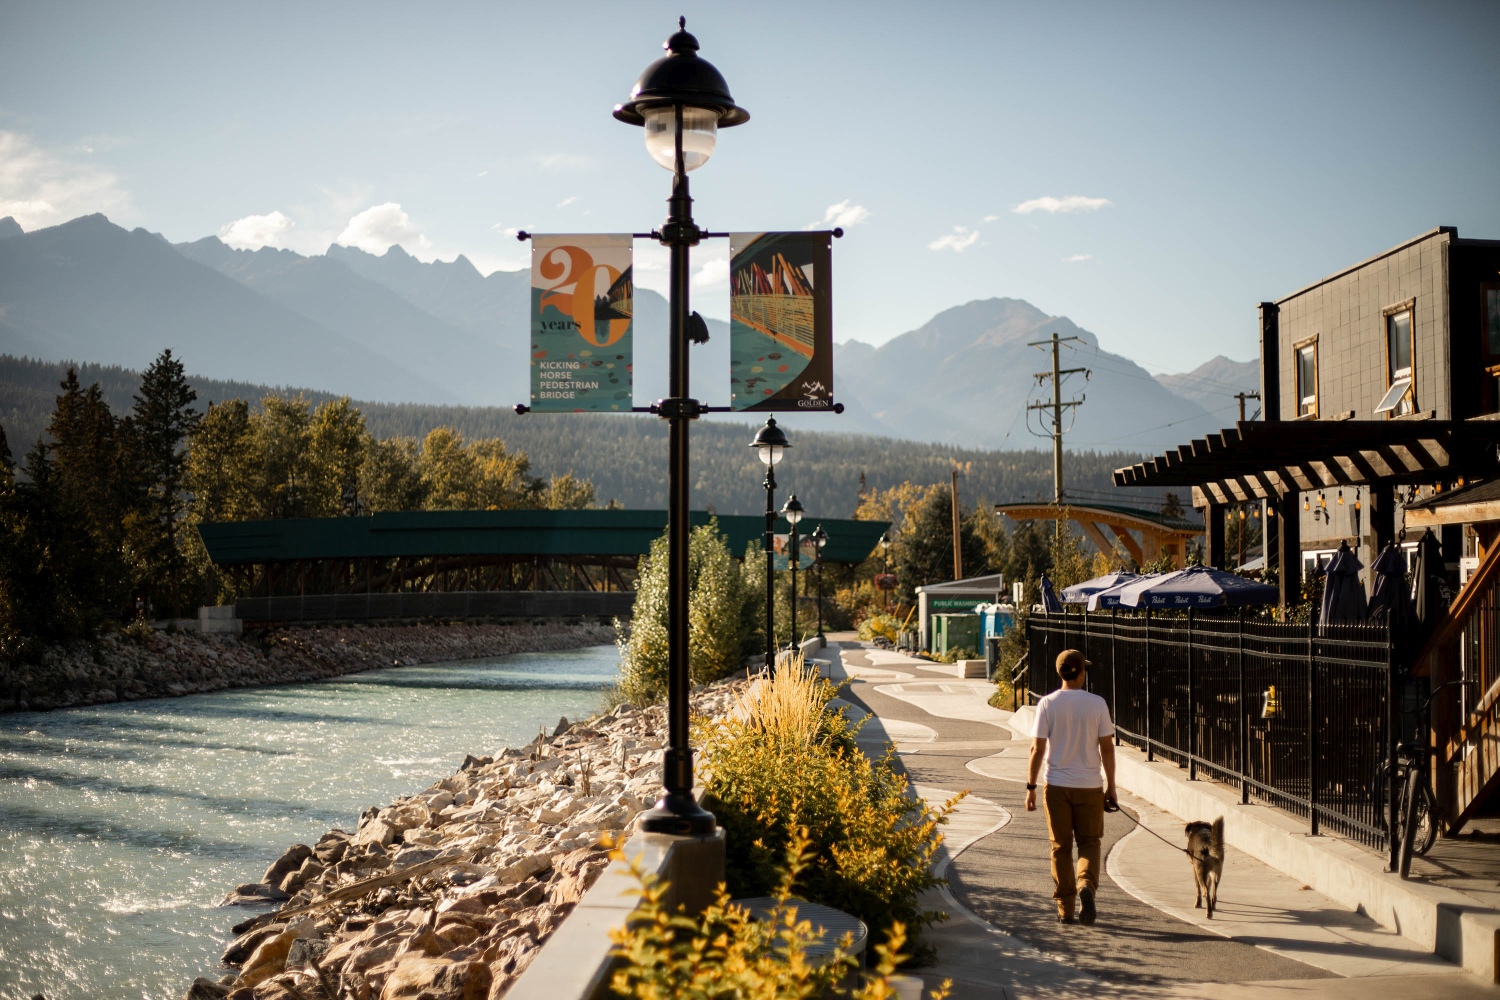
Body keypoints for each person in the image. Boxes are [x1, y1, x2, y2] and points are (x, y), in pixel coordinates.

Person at [1024, 648, 1117, 925]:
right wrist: (1111, 787)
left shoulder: (1047, 704)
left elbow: (1037, 749)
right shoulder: (1097, 704)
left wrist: (1031, 786)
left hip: (1056, 786)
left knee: (1060, 846)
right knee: (1089, 842)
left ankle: (1065, 908)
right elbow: (1107, 748)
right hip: (1090, 786)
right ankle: (1085, 884)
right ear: (1081, 673)